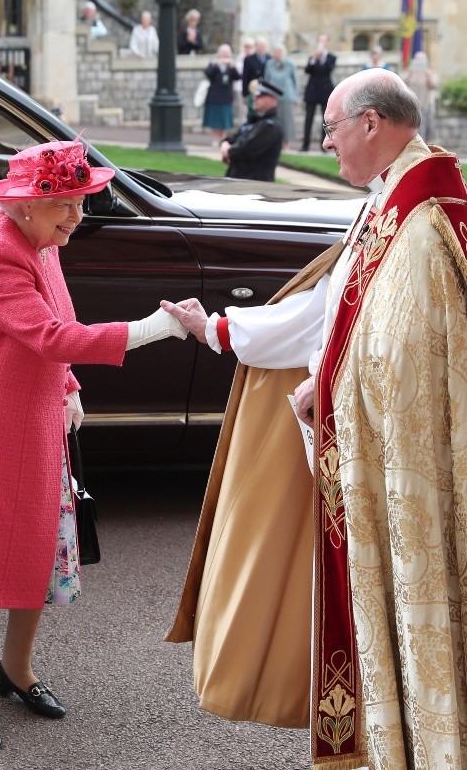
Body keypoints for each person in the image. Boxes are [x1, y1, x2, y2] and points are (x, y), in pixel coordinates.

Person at [163, 68, 467, 769]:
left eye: (331, 129)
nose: (324, 143)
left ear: (371, 124)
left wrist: (324, 393)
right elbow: (331, 311)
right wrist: (227, 332)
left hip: (408, 480)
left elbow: (407, 366)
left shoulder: (423, 225)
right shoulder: (388, 202)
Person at [0, 140, 187, 751]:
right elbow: (51, 335)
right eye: (65, 204)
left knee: (38, 542)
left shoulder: (38, 240)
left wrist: (68, 387)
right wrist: (153, 328)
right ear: (24, 204)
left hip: (30, 410)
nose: (77, 216)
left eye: (80, 202)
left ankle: (15, 669)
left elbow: (55, 324)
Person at [220, 81, 284, 181]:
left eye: (260, 96)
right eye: (255, 95)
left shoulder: (271, 126)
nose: (255, 98)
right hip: (239, 179)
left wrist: (228, 151)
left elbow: (246, 148)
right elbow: (234, 137)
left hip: (254, 183)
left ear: (273, 100)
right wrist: (225, 143)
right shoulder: (255, 121)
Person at [301, 33, 336, 151]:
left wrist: (323, 58)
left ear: (327, 43)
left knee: (325, 119)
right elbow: (308, 70)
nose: (321, 43)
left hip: (325, 91)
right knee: (308, 118)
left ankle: (323, 146)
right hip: (312, 91)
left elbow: (329, 69)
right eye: (320, 41)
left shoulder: (331, 57)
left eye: (323, 41)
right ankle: (305, 145)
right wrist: (314, 59)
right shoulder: (313, 57)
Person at [202, 44, 241, 145]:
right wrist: (217, 65)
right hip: (214, 95)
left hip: (226, 96)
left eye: (227, 53)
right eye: (223, 53)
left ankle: (223, 138)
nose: (225, 55)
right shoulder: (214, 63)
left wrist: (232, 67)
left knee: (225, 120)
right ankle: (215, 138)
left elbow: (238, 77)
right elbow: (208, 74)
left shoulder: (231, 65)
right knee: (214, 119)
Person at [264, 43, 299, 150]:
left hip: (287, 96)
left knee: (287, 122)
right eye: (275, 52)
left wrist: (296, 97)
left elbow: (295, 81)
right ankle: (275, 144)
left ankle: (287, 144)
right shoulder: (269, 64)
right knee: (274, 121)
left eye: (279, 52)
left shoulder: (290, 64)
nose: (277, 54)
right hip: (273, 97)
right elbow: (266, 80)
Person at [403, 50, 438, 143]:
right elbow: (402, 85)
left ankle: (426, 147)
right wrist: (410, 73)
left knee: (427, 129)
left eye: (422, 60)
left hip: (425, 105)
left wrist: (428, 75)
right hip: (412, 106)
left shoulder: (429, 72)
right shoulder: (410, 71)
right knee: (413, 128)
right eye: (418, 60)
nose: (420, 63)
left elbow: (434, 86)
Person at [241, 35, 270, 100]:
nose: (261, 48)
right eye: (259, 46)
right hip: (252, 90)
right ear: (256, 46)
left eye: (263, 46)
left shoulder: (270, 59)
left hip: (266, 91)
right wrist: (244, 94)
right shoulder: (249, 59)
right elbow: (245, 77)